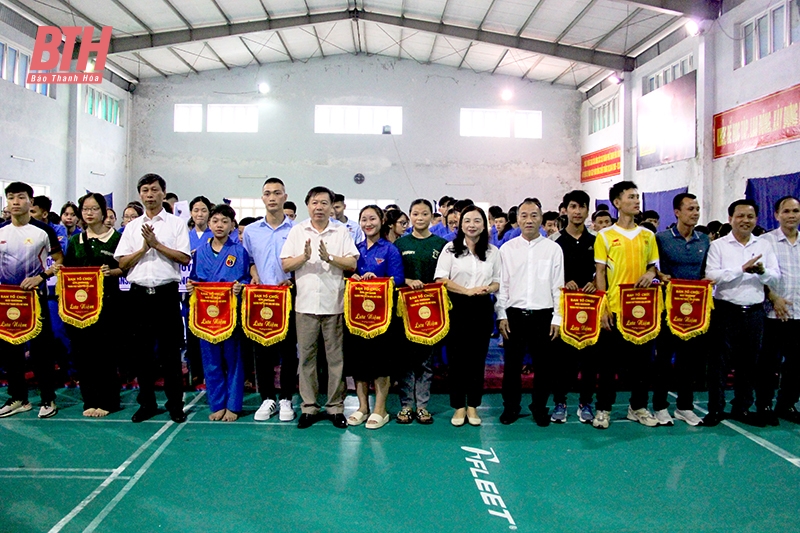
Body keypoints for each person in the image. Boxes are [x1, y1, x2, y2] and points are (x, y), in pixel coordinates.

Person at [115, 174, 191, 423]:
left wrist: (156, 245)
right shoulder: (132, 227)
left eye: (154, 190)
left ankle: (175, 405)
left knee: (170, 354)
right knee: (142, 354)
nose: (150, 194)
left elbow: (184, 258)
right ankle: (146, 403)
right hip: (138, 295)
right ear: (140, 194)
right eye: (145, 190)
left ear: (163, 193)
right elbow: (123, 263)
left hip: (166, 294)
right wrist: (143, 248)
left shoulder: (176, 224)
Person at [281, 186, 358, 429]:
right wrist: (303, 258)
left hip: (334, 303)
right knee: (306, 359)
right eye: (315, 203)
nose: (319, 207)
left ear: (331, 206)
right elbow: (285, 265)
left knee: (336, 359)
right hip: (305, 305)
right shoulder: (297, 230)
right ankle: (309, 407)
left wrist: (330, 258)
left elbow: (352, 263)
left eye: (324, 203)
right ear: (308, 205)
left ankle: (335, 407)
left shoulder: (341, 230)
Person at [703, 199, 779, 427]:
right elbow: (712, 276)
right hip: (725, 311)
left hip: (754, 313)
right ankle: (715, 409)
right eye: (741, 216)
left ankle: (742, 408)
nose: (746, 221)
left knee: (749, 364)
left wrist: (763, 272)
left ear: (756, 219)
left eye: (750, 217)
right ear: (730, 219)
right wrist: (741, 269)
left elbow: (776, 277)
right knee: (719, 364)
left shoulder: (764, 245)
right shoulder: (718, 246)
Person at [594, 181, 660, 429]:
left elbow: (654, 267)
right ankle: (603, 408)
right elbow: (600, 273)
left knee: (643, 364)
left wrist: (651, 273)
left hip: (643, 312)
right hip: (615, 309)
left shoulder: (648, 236)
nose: (636, 201)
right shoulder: (605, 236)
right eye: (631, 197)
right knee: (608, 365)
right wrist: (603, 307)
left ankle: (638, 406)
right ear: (617, 203)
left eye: (637, 197)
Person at [496, 199, 564, 426]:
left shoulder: (553, 249)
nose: (529, 220)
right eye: (524, 215)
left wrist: (557, 317)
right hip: (514, 314)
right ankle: (511, 407)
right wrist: (502, 314)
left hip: (544, 315)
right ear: (517, 219)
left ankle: (539, 407)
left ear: (542, 218)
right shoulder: (506, 249)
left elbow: (558, 286)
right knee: (511, 366)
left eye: (534, 215)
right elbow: (502, 284)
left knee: (544, 367)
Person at [0, 182, 62, 418]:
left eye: (21, 197)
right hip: (7, 301)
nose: (15, 202)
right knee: (10, 350)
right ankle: (18, 398)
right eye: (11, 197)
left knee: (41, 351)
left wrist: (40, 277)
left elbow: (59, 261)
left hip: (35, 299)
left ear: (30, 202)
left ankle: (48, 398)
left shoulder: (43, 231)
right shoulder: (1, 231)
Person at [435, 205, 500, 426]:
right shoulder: (450, 249)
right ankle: (458, 407)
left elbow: (498, 281)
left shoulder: (492, 251)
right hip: (457, 306)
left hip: (482, 307)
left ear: (484, 224)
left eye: (477, 221)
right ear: (460, 225)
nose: (472, 225)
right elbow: (441, 279)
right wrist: (466, 291)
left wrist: (487, 289)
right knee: (456, 360)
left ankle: (473, 406)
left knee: (477, 360)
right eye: (467, 221)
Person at [188, 204, 250, 422]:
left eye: (225, 221)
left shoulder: (238, 251)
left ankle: (233, 405)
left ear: (232, 225)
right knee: (211, 360)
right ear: (209, 223)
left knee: (233, 359)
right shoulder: (201, 251)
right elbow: (195, 278)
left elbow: (245, 279)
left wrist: (240, 286)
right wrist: (191, 286)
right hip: (207, 315)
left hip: (231, 313)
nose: (219, 225)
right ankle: (217, 403)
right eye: (215, 221)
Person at [243, 178, 298, 422]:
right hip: (261, 298)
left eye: (277, 193)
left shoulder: (296, 230)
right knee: (262, 350)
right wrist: (254, 275)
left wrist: (292, 280)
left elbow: (300, 262)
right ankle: (267, 398)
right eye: (267, 193)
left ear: (285, 196)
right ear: (262, 198)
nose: (272, 197)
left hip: (288, 296)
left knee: (288, 351)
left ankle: (286, 399)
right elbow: (250, 262)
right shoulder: (252, 231)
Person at [64, 193, 123, 417]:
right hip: (79, 308)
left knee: (105, 354)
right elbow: (68, 272)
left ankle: (108, 401)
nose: (89, 213)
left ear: (103, 211)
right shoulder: (75, 241)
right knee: (83, 354)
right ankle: (89, 400)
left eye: (94, 209)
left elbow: (125, 268)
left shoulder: (116, 239)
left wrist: (113, 272)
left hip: (108, 304)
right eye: (85, 209)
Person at [346, 205, 405, 430]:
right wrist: (356, 277)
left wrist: (377, 280)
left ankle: (380, 409)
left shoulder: (390, 250)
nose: (368, 223)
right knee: (359, 363)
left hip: (382, 317)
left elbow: (398, 279)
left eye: (372, 218)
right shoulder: (355, 249)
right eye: (363, 219)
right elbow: (346, 274)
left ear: (382, 221)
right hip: (357, 317)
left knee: (381, 363)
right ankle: (362, 407)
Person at [653, 193, 710, 426]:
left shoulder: (704, 240)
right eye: (690, 209)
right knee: (664, 360)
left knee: (690, 361)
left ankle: (685, 406)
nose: (695, 213)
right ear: (677, 212)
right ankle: (659, 406)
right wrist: (658, 275)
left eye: (697, 209)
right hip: (667, 310)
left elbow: (707, 270)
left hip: (694, 312)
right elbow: (652, 267)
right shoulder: (662, 239)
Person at [393, 199, 448, 424]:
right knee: (406, 360)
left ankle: (423, 406)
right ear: (409, 217)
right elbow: (395, 276)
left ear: (430, 216)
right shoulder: (400, 244)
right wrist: (408, 280)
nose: (420, 218)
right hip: (405, 310)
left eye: (424, 214)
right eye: (415, 214)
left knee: (426, 360)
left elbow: (445, 275)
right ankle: (406, 405)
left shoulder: (441, 244)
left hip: (431, 311)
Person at [551, 190, 598, 424]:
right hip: (563, 310)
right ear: (565, 210)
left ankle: (586, 402)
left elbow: (603, 272)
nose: (577, 211)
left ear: (587, 210)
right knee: (562, 360)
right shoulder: (555, 242)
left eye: (582, 207)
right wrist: (562, 283)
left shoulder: (597, 241)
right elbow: (548, 276)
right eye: (573, 206)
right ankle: (560, 402)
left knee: (589, 358)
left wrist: (593, 283)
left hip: (590, 311)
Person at [759, 196, 800, 425]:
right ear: (777, 215)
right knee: (768, 363)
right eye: (786, 211)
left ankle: (787, 405)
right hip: (773, 313)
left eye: (795, 211)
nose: (791, 215)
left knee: (795, 364)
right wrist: (773, 298)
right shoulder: (765, 242)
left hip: (799, 314)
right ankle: (764, 404)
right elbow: (758, 275)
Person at [186, 195, 214, 388]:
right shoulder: (184, 236)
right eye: (196, 210)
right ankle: (195, 371)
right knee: (192, 333)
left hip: (211, 294)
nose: (200, 214)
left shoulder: (215, 236)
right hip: (188, 294)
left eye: (203, 210)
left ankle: (210, 373)